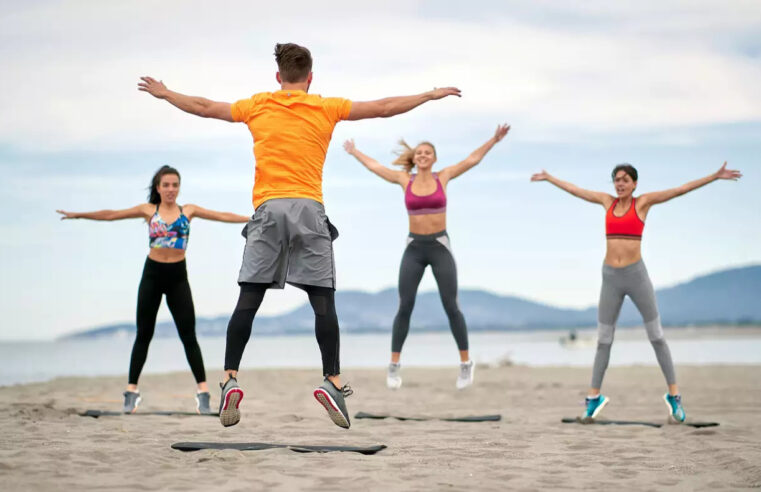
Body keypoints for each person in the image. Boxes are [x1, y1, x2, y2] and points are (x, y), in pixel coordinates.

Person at [137, 42, 461, 429]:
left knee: (249, 298)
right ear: (310, 78)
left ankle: (229, 379)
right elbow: (384, 107)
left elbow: (206, 108)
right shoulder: (327, 106)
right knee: (322, 299)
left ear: (278, 78)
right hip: (309, 208)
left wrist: (167, 93)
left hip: (268, 209)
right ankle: (332, 381)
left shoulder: (257, 105)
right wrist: (428, 94)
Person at [531, 161, 742, 422]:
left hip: (636, 276)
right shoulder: (606, 202)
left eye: (624, 180)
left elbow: (680, 189)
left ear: (634, 183)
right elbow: (577, 190)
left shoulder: (642, 203)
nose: (619, 184)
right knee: (603, 341)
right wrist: (550, 177)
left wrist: (714, 176)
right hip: (610, 277)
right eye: (616, 180)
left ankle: (674, 396)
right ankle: (593, 398)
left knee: (656, 336)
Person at [58, 165, 250, 414]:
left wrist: (251, 218)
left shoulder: (188, 210)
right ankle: (131, 390)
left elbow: (221, 215)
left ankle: (203, 391)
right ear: (158, 188)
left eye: (175, 185)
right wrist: (79, 215)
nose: (171, 190)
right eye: (166, 185)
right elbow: (111, 214)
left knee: (188, 335)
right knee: (143, 334)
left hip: (178, 277)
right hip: (152, 275)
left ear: (179, 187)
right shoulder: (149, 210)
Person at [343, 124, 509, 390]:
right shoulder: (403, 180)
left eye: (427, 152)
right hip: (414, 248)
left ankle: (466, 364)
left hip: (439, 245)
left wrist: (494, 139)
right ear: (415, 157)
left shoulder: (443, 177)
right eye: (419, 152)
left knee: (451, 306)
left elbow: (472, 160)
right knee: (405, 305)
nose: (422, 155)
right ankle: (394, 364)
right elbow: (376, 167)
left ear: (434, 158)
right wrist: (355, 152)